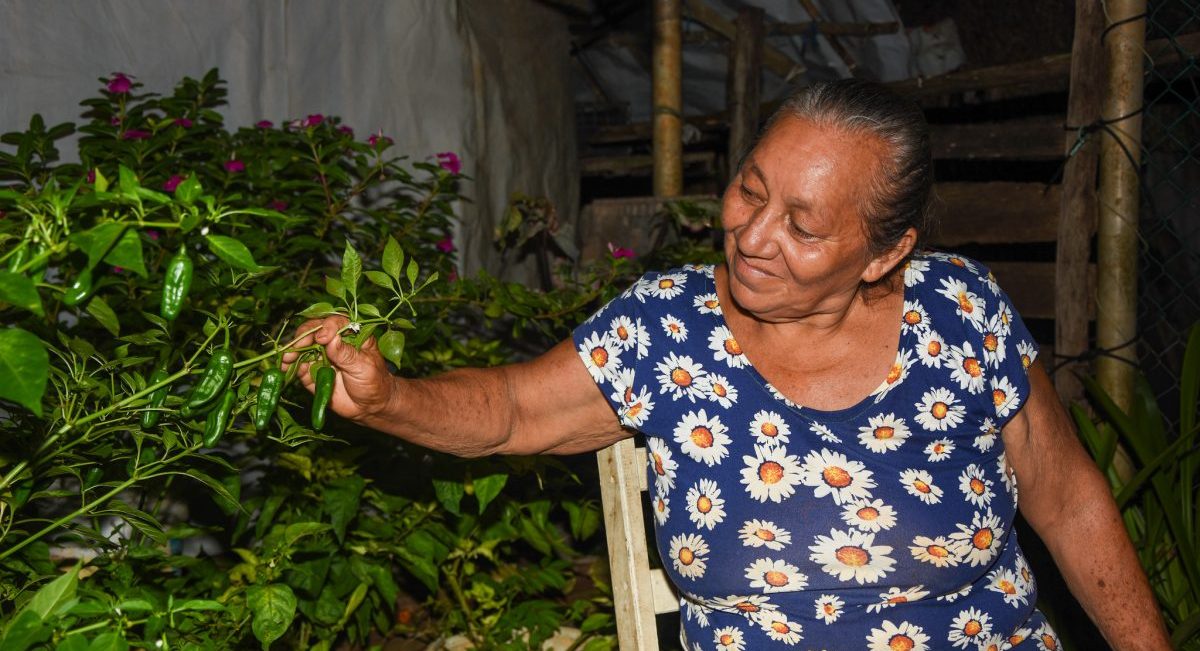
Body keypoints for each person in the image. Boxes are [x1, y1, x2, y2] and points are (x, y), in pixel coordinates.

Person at [283, 80, 1170, 650]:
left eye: (803, 224)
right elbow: (514, 408)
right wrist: (390, 396)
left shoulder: (963, 312)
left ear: (883, 253)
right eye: (751, 187)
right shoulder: (670, 331)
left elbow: (1069, 497)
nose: (751, 236)